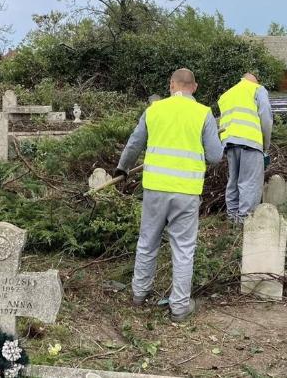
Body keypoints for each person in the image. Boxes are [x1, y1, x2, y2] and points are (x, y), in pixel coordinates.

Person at [115, 68, 223, 322]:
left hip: (155, 188)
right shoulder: (203, 113)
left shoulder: (154, 110)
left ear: (171, 85)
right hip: (186, 192)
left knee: (147, 241)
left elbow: (134, 143)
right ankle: (179, 308)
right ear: (194, 87)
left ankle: (139, 294)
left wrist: (123, 167)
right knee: (183, 249)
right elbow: (215, 156)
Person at [217, 73, 273, 224]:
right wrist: (265, 145)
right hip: (251, 142)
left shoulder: (227, 95)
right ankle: (244, 222)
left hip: (229, 143)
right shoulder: (257, 89)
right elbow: (266, 117)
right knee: (250, 183)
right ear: (255, 80)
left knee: (234, 181)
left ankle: (232, 219)